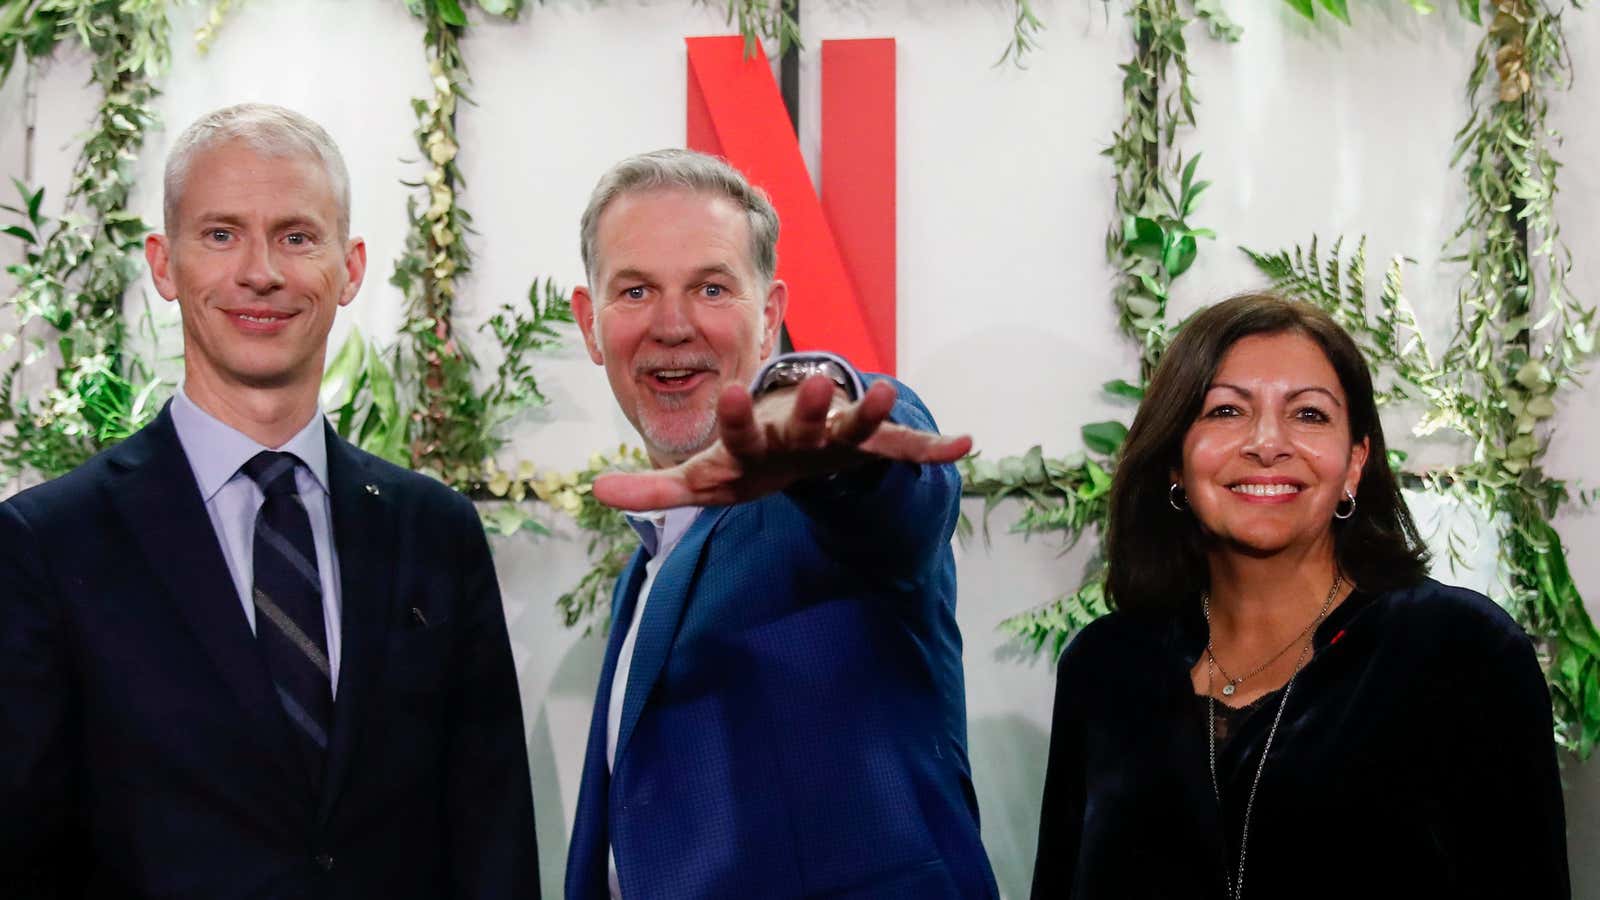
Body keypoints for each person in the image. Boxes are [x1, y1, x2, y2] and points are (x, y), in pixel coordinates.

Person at [0, 103, 540, 899]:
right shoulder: (49, 543)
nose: (262, 272)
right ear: (162, 263)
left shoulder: (436, 532)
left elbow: (491, 837)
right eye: (221, 235)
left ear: (350, 268)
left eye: (296, 236)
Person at [562, 148, 1000, 900]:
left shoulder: (823, 493)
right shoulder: (645, 569)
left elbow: (894, 496)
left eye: (711, 287)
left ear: (769, 318)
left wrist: (829, 433)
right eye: (635, 290)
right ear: (590, 323)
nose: (672, 324)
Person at [1030, 293, 1569, 899]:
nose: (1267, 442)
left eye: (1309, 415)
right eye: (1226, 411)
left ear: (1355, 462)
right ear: (1175, 461)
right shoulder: (1105, 668)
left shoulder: (1463, 652)